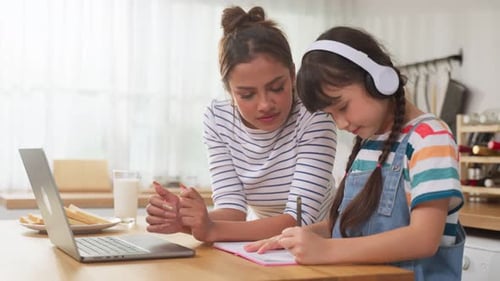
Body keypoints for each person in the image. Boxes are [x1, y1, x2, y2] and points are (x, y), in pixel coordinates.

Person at [244, 26, 465, 281]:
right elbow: (345, 228)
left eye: (343, 107)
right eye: (331, 115)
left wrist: (326, 249)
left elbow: (423, 239)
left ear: (377, 80)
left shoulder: (429, 138)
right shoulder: (369, 144)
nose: (341, 124)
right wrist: (297, 238)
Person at [145, 6, 337, 242]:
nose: (265, 104)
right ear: (229, 91)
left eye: (277, 88)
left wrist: (211, 229)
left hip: (324, 242)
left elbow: (298, 219)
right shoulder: (219, 119)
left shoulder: (314, 114)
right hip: (267, 243)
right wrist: (187, 220)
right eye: (247, 95)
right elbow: (233, 210)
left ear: (292, 74)